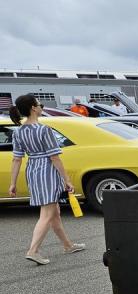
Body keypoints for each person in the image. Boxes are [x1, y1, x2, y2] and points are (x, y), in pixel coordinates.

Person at [6, 95, 85, 265]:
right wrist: (67, 180)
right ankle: (33, 250)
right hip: (47, 171)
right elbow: (55, 158)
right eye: (39, 104)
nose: (41, 106)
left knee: (54, 211)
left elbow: (16, 159)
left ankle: (67, 245)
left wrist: (12, 183)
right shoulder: (44, 130)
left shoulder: (18, 132)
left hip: (33, 172)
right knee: (47, 213)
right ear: (33, 108)